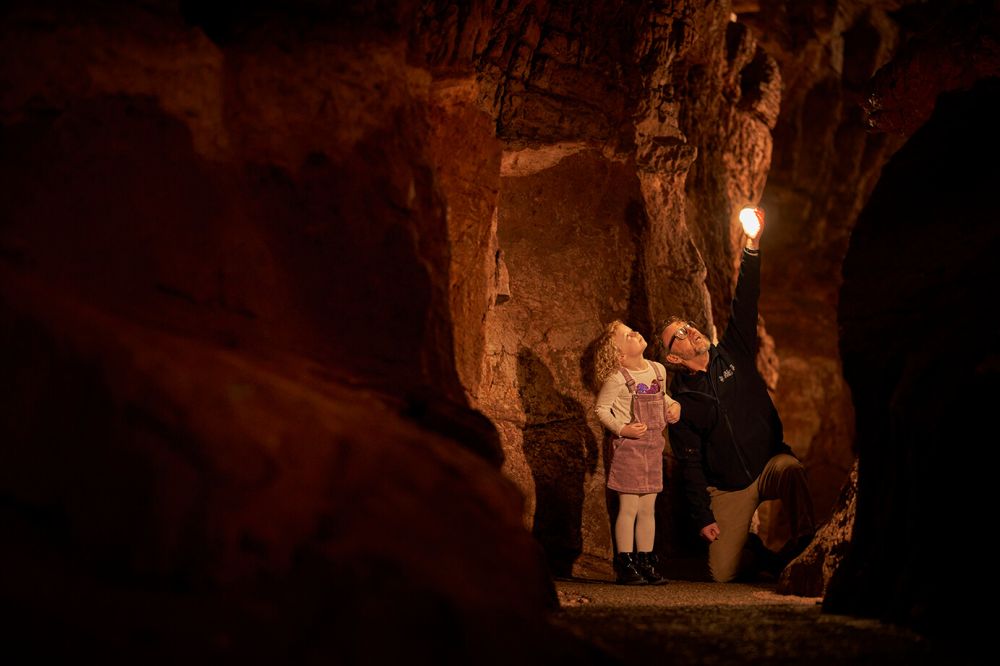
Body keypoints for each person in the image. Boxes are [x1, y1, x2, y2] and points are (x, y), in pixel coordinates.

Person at [658, 207, 815, 583]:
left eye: (689, 326)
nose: (690, 332)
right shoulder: (681, 398)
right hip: (728, 488)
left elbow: (746, 298)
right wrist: (703, 517)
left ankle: (807, 544)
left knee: (793, 472)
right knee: (720, 575)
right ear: (673, 357)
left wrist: (752, 245)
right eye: (679, 335)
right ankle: (753, 551)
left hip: (767, 463)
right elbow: (690, 462)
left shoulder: (735, 351)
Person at [594, 320, 681, 585]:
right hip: (629, 451)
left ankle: (646, 559)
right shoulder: (618, 379)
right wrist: (622, 429)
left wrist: (674, 406)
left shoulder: (658, 370)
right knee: (629, 507)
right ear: (619, 354)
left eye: (633, 330)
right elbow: (601, 409)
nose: (636, 333)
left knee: (648, 508)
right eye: (628, 335)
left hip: (653, 448)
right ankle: (625, 562)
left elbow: (662, 397)